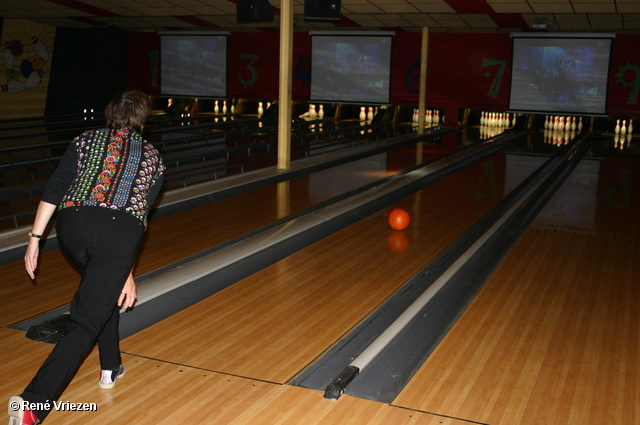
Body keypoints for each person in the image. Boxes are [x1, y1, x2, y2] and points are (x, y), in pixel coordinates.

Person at [8, 90, 165, 425]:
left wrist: (35, 239)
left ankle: (111, 366)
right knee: (84, 323)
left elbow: (54, 189)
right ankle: (32, 407)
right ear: (142, 119)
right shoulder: (153, 157)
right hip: (118, 232)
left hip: (71, 226)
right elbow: (139, 217)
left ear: (111, 112)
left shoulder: (84, 140)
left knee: (99, 294)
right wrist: (127, 269)